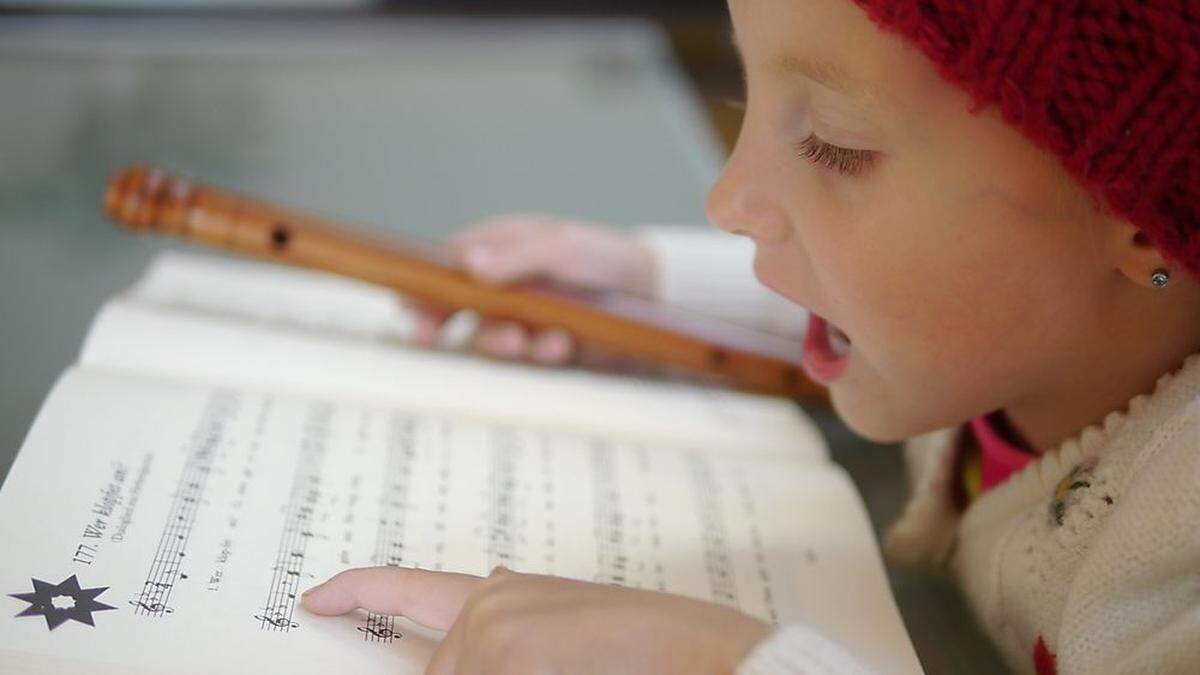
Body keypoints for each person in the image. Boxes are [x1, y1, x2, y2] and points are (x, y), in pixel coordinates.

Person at [299, 0, 1200, 672]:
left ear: (1141, 213)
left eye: (833, 143)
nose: (727, 202)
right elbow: (906, 301)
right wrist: (641, 283)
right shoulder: (1001, 333)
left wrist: (727, 660)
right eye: (743, 98)